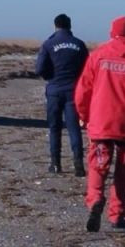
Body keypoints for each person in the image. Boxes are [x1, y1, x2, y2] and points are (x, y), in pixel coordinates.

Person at [74, 16, 125, 231]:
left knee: (98, 166)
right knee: (123, 170)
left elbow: (83, 89)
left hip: (101, 121)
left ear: (112, 32)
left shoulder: (98, 55)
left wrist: (82, 114)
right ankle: (117, 214)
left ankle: (95, 200)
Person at [35, 13, 88, 176]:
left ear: (55, 26)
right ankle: (78, 163)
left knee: (54, 128)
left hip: (54, 90)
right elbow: (88, 69)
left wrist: (50, 77)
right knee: (74, 128)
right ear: (70, 26)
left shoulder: (49, 44)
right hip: (73, 90)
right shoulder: (79, 44)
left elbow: (39, 69)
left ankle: (55, 163)